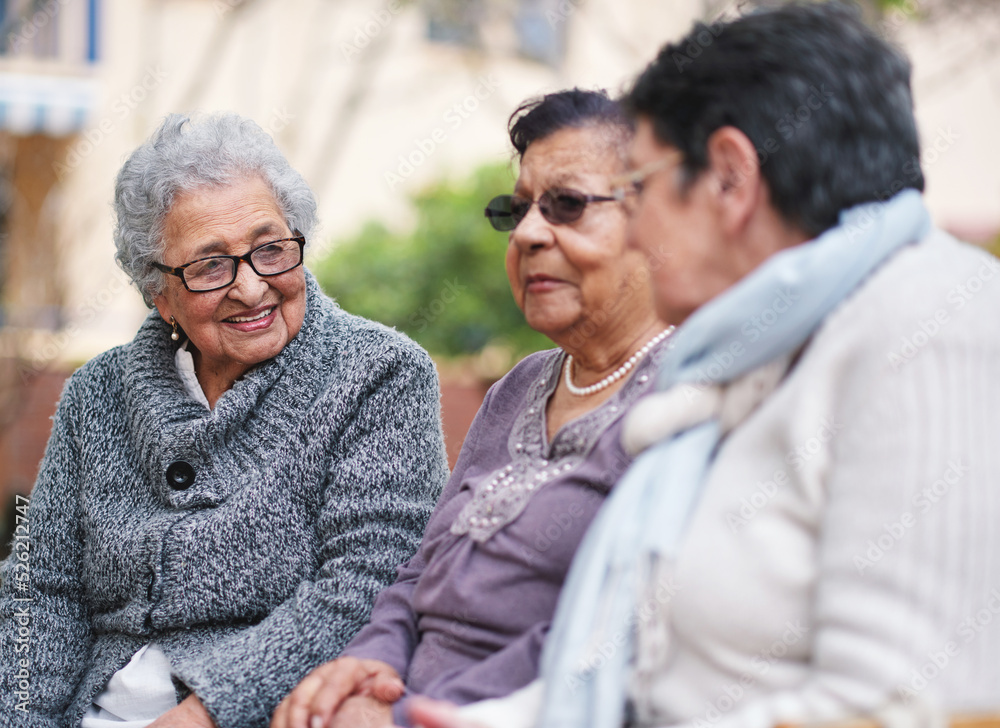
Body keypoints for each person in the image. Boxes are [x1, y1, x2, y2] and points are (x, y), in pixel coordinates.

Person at [407, 3, 1000, 728]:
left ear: (728, 179)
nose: (635, 225)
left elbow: (913, 709)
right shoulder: (748, 358)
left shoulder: (930, 324)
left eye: (640, 189)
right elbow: (651, 669)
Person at [0, 113, 449, 728]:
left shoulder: (380, 375)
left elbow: (366, 582)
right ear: (160, 294)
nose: (250, 287)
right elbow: (41, 590)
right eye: (210, 266)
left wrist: (206, 712)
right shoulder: (96, 396)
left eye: (270, 249)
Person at [270, 89, 673, 728]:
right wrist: (365, 670)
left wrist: (409, 714)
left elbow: (617, 631)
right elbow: (418, 574)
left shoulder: (686, 404)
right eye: (518, 210)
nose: (531, 233)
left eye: (567, 205)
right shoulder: (522, 386)